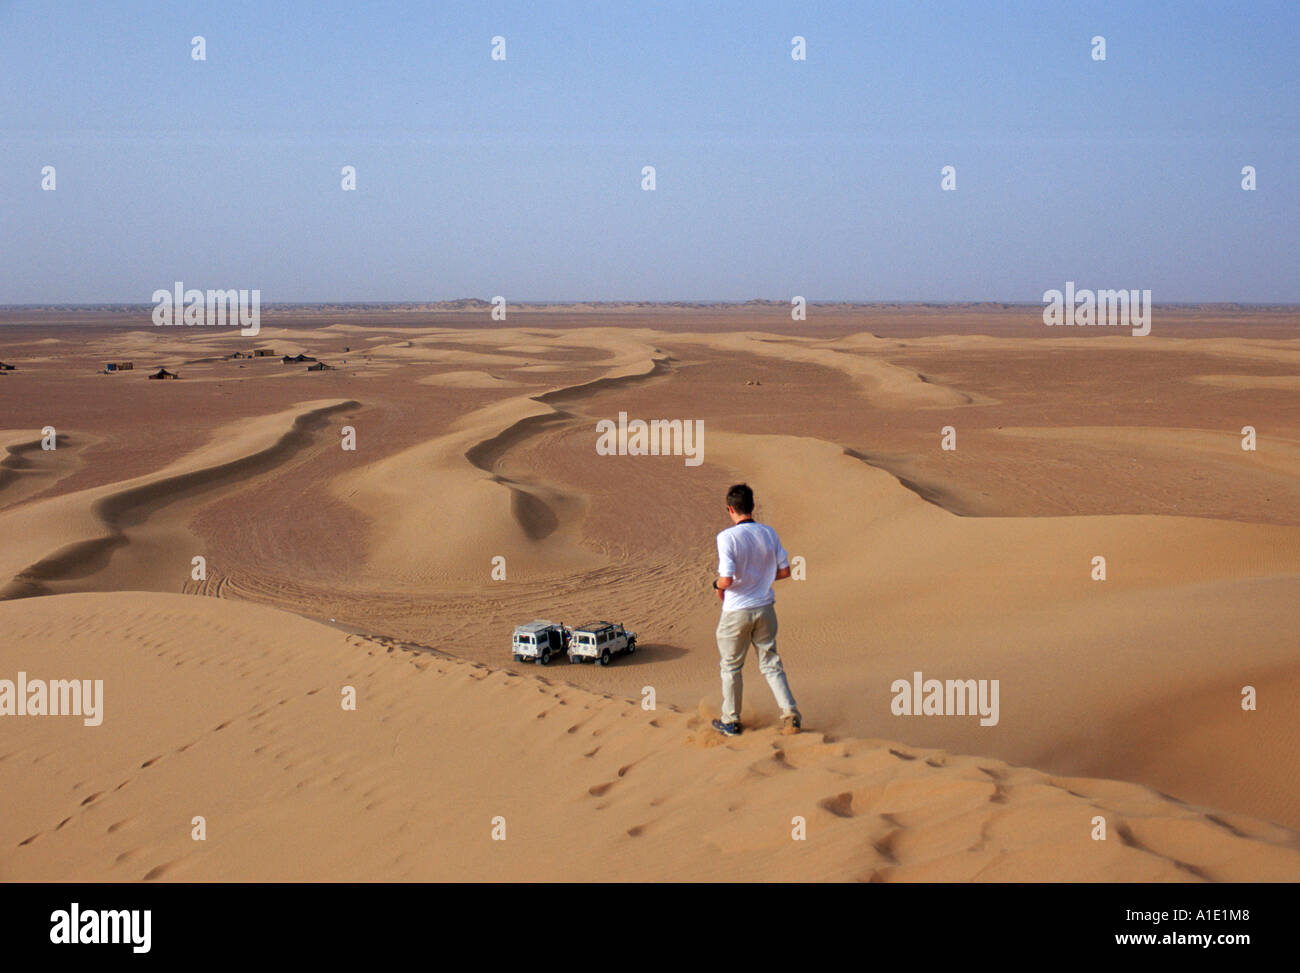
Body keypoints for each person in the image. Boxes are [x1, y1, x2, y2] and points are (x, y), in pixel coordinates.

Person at [711, 483, 801, 736]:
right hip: (765, 609)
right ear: (753, 506)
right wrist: (760, 580)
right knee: (771, 663)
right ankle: (790, 713)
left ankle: (730, 721)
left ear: (730, 509)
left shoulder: (726, 537)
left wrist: (715, 584)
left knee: (730, 666)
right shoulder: (769, 533)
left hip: (736, 611)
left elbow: (726, 580)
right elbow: (784, 571)